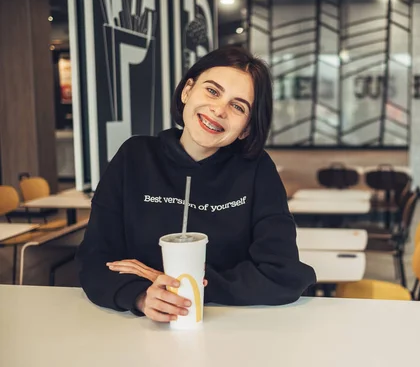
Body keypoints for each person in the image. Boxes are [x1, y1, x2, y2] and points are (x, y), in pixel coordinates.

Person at [76, 46, 316, 322]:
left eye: (238, 107)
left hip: (231, 328)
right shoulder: (134, 157)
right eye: (212, 91)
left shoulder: (257, 170)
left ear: (247, 128)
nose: (219, 110)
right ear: (187, 91)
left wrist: (182, 283)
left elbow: (284, 275)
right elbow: (95, 261)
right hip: (139, 329)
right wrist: (141, 296)